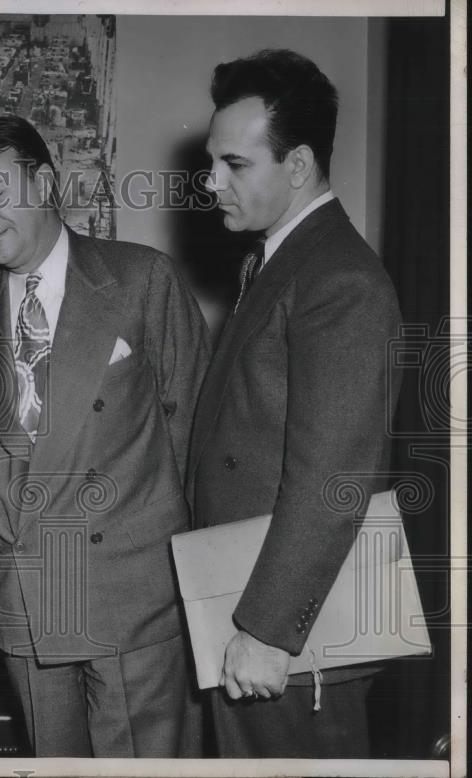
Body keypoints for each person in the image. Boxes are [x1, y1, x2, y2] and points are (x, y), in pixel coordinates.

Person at [0, 115, 208, 757]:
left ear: (46, 184)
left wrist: (203, 585)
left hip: (130, 599)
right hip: (22, 596)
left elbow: (192, 432)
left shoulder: (141, 281)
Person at [187, 49, 403, 758]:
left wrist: (270, 630)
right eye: (213, 161)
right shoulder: (283, 260)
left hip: (287, 635)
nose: (210, 181)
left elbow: (333, 479)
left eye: (235, 165)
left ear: (300, 165)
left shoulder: (338, 279)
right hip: (249, 601)